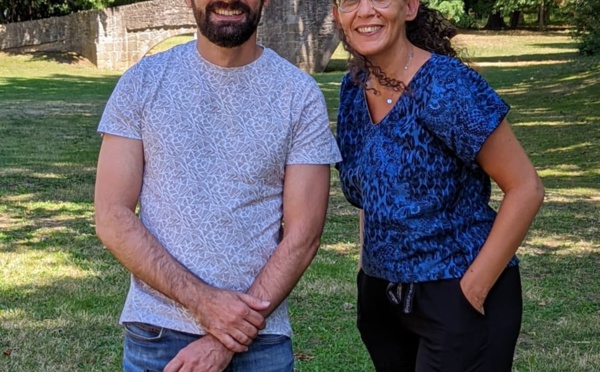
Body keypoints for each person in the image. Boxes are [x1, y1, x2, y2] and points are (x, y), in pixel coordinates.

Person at [94, 0, 341, 370]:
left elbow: (303, 235)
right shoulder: (142, 82)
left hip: (259, 338)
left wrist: (229, 335)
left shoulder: (299, 95)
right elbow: (112, 217)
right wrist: (204, 303)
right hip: (158, 335)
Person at [331, 0, 545, 371]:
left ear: (409, 7)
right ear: (337, 14)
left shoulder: (446, 85)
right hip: (383, 299)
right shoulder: (351, 92)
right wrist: (368, 274)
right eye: (350, 1)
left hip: (457, 293)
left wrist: (471, 293)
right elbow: (371, 197)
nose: (365, 11)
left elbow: (526, 187)